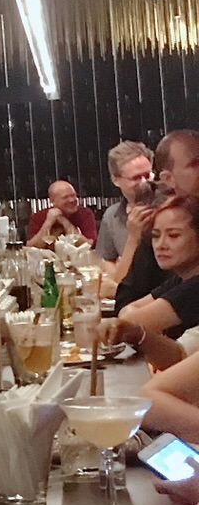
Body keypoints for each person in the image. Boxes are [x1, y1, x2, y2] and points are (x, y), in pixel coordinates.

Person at [112, 196, 199, 371]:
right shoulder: (180, 278)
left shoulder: (195, 286)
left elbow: (128, 321)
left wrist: (134, 326)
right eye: (156, 236)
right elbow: (127, 311)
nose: (161, 245)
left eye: (173, 235)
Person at [114, 130, 199, 307]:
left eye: (173, 235)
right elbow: (126, 297)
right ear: (168, 179)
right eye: (195, 164)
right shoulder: (160, 219)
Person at [97, 141, 153, 268]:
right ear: (115, 180)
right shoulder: (112, 215)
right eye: (136, 178)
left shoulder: (167, 207)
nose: (144, 182)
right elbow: (105, 260)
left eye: (147, 175)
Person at [26, 179, 98, 248]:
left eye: (73, 195)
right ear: (53, 200)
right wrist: (47, 223)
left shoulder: (85, 214)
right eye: (65, 197)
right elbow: (31, 247)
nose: (72, 200)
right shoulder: (39, 216)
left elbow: (89, 245)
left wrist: (64, 222)